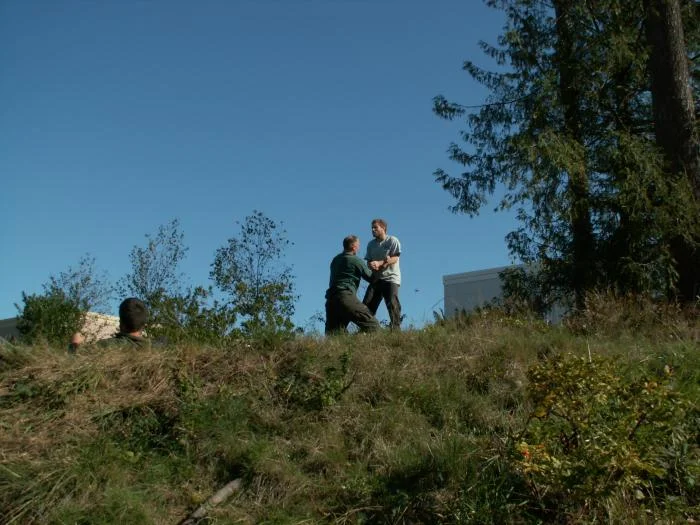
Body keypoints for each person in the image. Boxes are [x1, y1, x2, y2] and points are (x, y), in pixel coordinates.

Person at [325, 235, 380, 335]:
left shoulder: (335, 260)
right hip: (345, 297)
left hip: (331, 299)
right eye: (358, 245)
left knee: (334, 334)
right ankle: (358, 340)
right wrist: (377, 267)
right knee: (373, 325)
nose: (359, 248)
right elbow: (371, 278)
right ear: (354, 247)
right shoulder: (355, 260)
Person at [363, 218, 402, 329]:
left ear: (383, 228)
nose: (373, 230)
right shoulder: (371, 244)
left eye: (375, 227)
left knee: (392, 304)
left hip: (391, 278)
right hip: (376, 279)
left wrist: (380, 263)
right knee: (367, 305)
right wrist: (371, 265)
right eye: (372, 228)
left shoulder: (392, 240)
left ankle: (395, 330)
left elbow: (395, 258)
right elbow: (368, 261)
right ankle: (367, 330)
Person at [69, 297, 150, 350]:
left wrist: (75, 343)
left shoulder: (106, 346)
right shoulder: (151, 349)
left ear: (121, 323)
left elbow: (77, 356)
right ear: (144, 325)